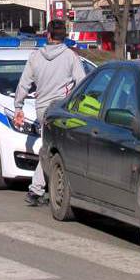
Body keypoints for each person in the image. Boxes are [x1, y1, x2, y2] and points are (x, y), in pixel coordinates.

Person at [14, 20, 87, 206]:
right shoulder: (71, 57)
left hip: (42, 111)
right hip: (62, 110)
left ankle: (37, 190)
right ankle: (37, 190)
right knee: (54, 150)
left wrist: (18, 107)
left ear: (48, 35)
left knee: (50, 149)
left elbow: (24, 83)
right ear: (64, 36)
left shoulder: (36, 56)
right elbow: (82, 83)